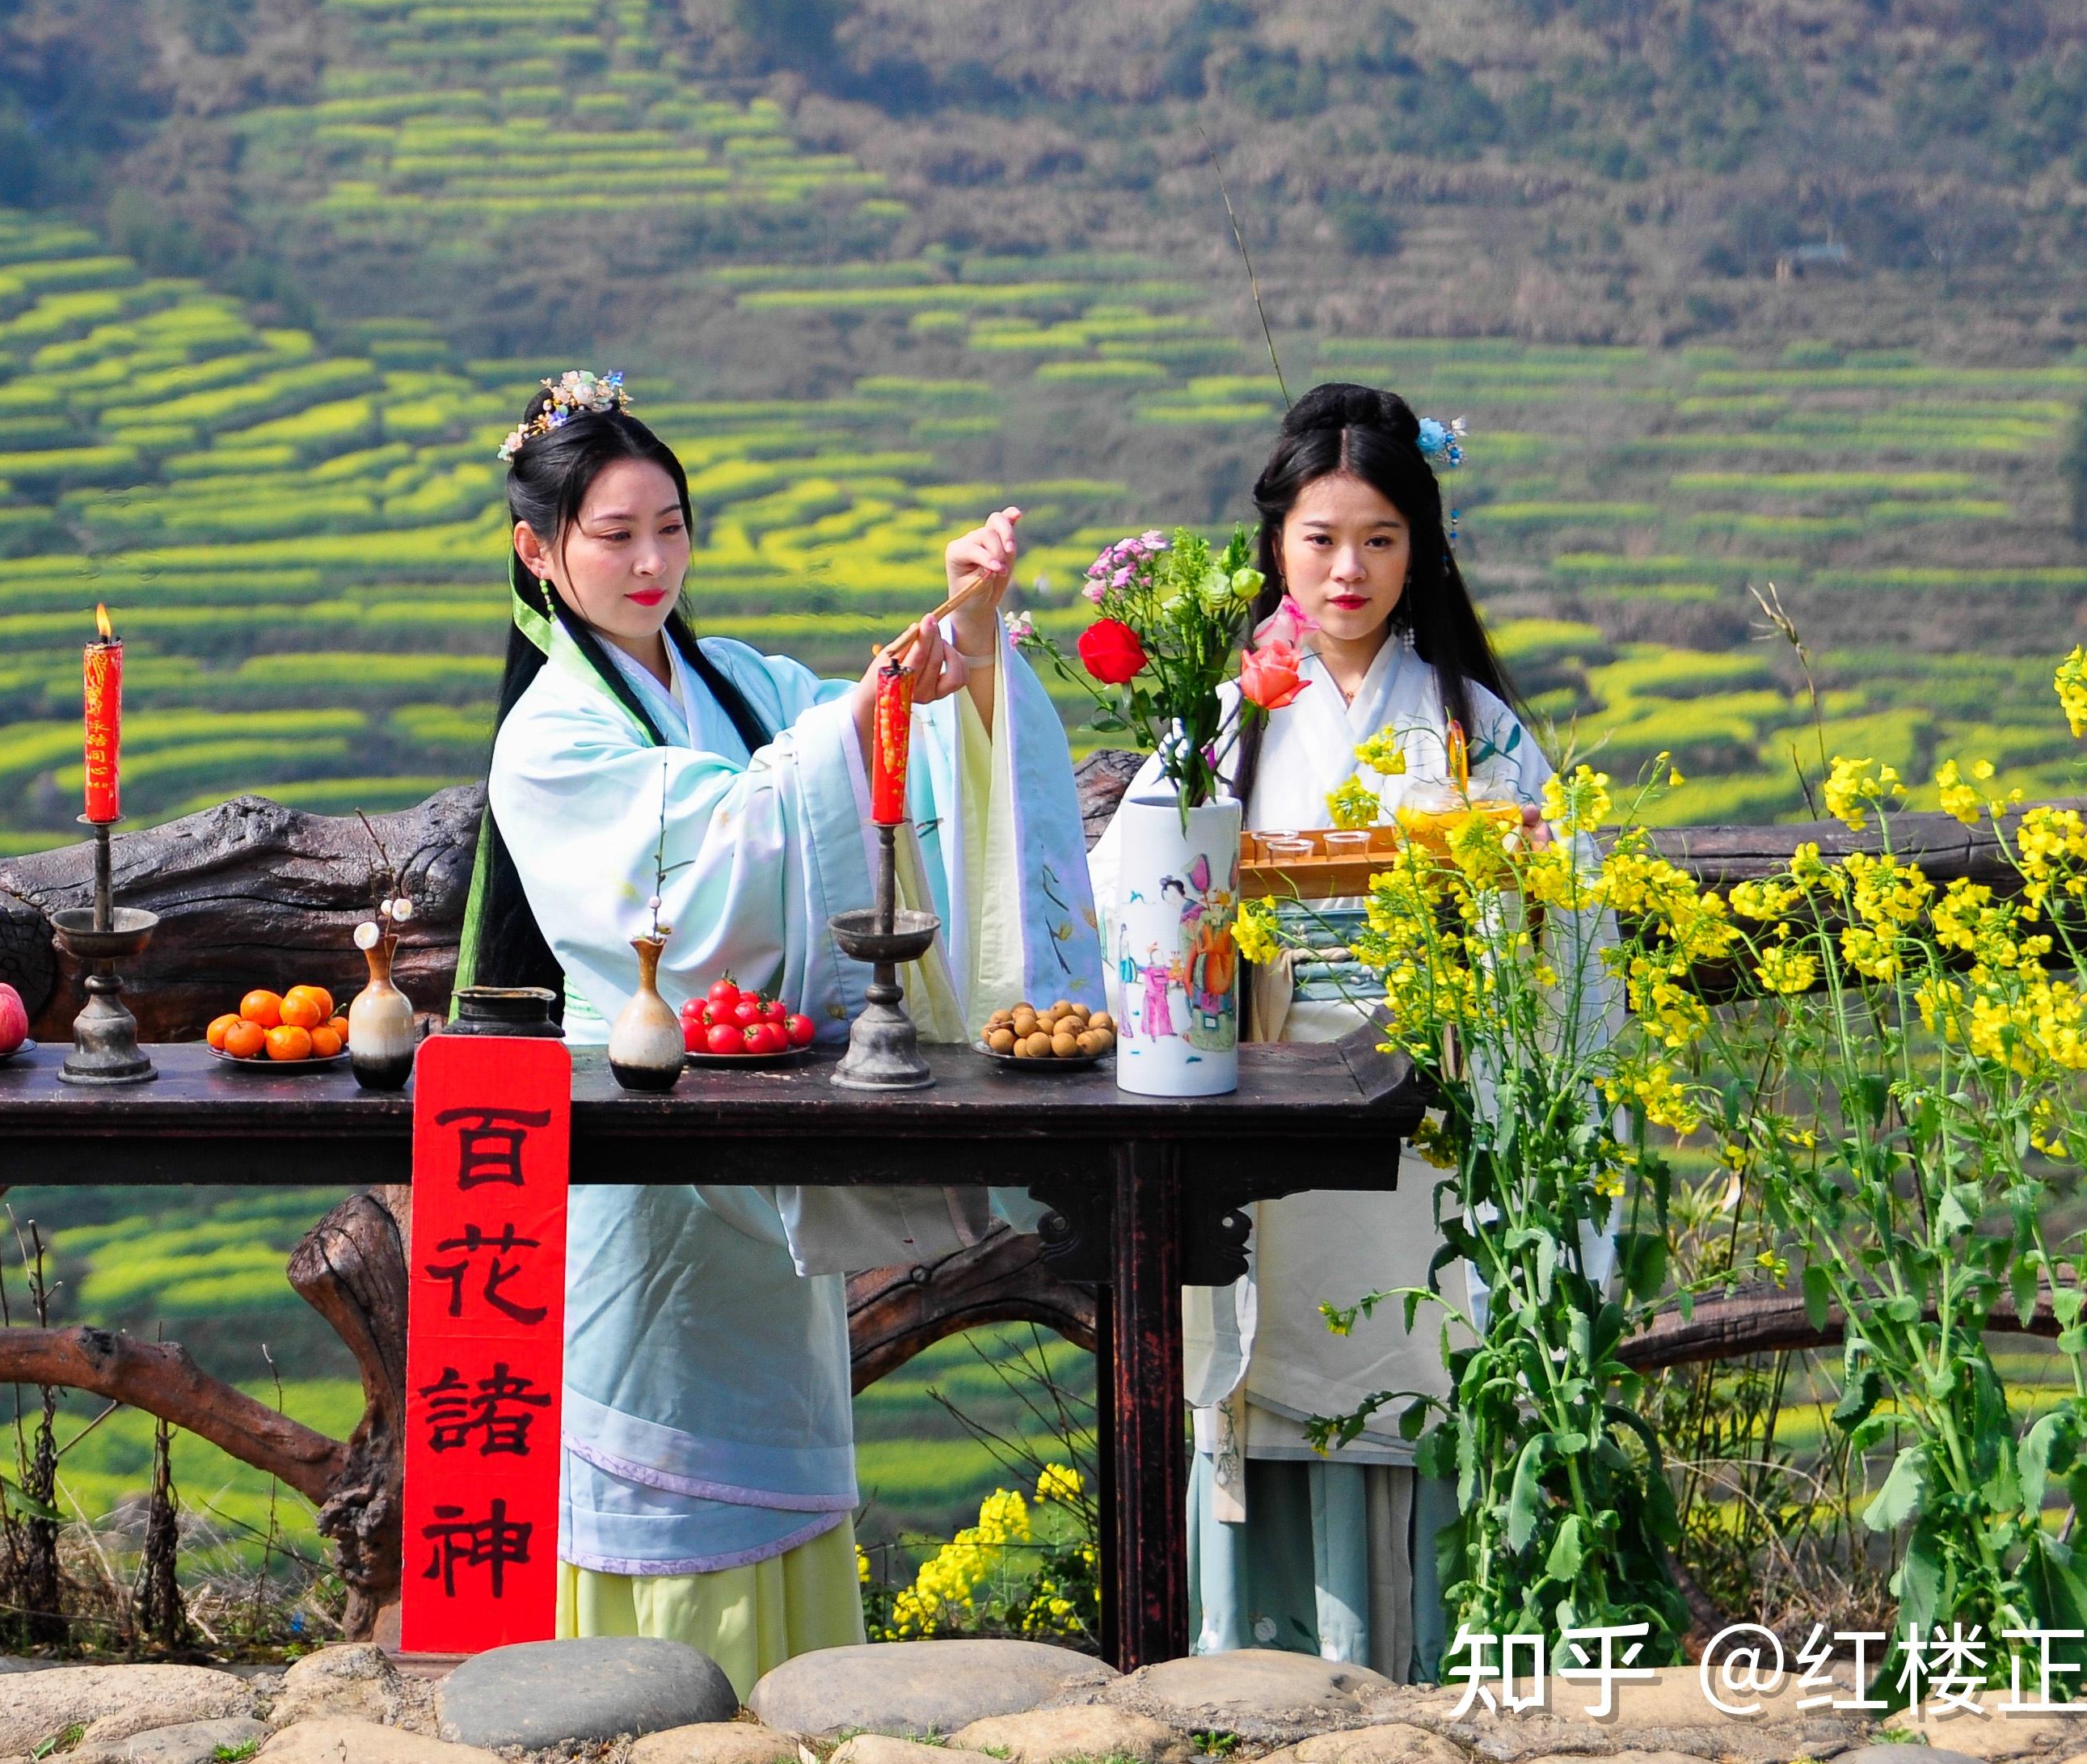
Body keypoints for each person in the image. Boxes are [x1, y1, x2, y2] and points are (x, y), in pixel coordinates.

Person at [462, 370, 1103, 1695]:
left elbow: (883, 761)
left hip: (758, 1129)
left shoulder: (741, 682)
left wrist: (966, 648)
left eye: (672, 528)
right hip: (635, 1159)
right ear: (538, 551)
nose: (652, 562)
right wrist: (859, 719)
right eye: (614, 534)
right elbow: (700, 875)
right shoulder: (549, 738)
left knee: (777, 1444)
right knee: (663, 1449)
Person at [1146, 380, 1578, 1681]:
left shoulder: (1473, 727)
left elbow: (1563, 913)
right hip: (1266, 1104)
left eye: (1381, 540)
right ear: (1276, 545)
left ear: (1422, 552)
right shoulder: (1227, 722)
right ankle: (1256, 1679)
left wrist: (1538, 881)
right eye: (1323, 539)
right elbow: (1148, 898)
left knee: (1419, 1355)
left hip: (1424, 1110)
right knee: (1267, 1366)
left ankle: (1431, 1667)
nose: (1349, 570)